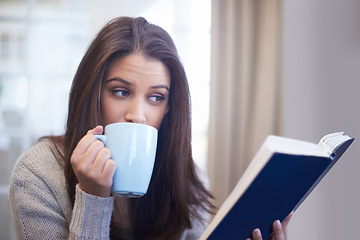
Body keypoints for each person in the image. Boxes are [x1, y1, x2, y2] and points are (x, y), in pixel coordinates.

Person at [9, 16, 290, 240]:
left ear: (169, 107)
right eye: (120, 91)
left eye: (156, 97)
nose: (138, 116)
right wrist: (92, 198)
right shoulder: (38, 174)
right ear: (92, 92)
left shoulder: (186, 177)